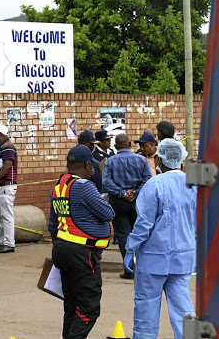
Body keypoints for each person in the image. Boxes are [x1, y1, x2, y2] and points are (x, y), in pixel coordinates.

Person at [124, 139, 196, 339]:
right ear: (182, 159)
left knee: (146, 304)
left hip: (153, 258)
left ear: (160, 159)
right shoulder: (193, 185)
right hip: (183, 257)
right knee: (182, 305)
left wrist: (131, 248)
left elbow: (144, 223)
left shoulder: (154, 185)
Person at [48, 145, 115, 339]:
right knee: (88, 308)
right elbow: (108, 213)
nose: (94, 170)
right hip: (82, 254)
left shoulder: (58, 188)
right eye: (92, 166)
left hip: (63, 250)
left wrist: (60, 250)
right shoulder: (85, 186)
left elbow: (53, 225)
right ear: (86, 164)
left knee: (72, 303)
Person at [102, 133, 152, 279]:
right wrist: (135, 193)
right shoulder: (141, 160)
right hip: (138, 202)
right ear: (129, 145)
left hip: (118, 203)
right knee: (140, 233)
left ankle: (129, 270)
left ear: (116, 146)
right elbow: (148, 179)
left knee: (123, 235)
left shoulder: (110, 161)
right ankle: (142, 269)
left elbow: (106, 182)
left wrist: (122, 193)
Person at [0, 124, 18, 254]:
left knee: (6, 216)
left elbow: (7, 165)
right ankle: (1, 242)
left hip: (5, 186)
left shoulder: (8, 148)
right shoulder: (2, 147)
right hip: (0, 186)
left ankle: (8, 243)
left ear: (0, 134)